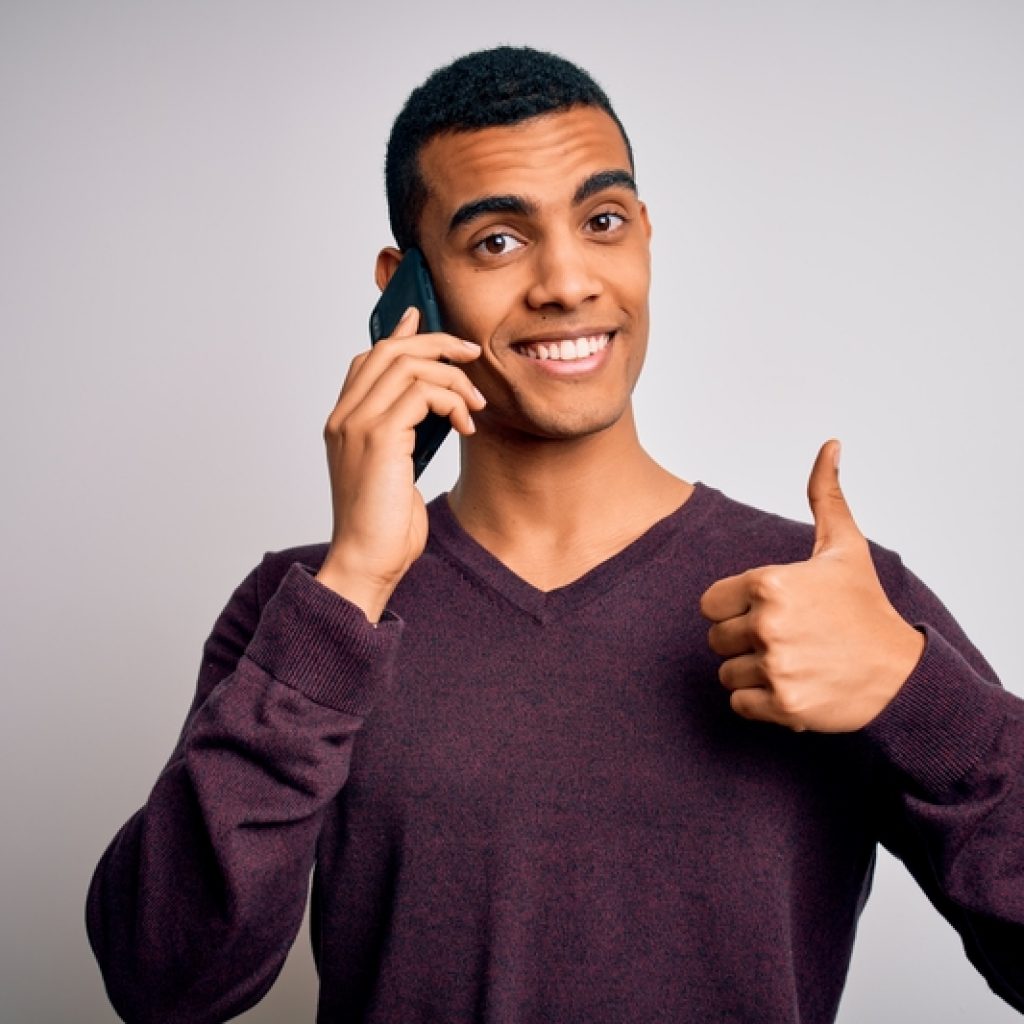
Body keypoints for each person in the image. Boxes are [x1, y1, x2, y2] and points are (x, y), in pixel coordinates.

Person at [87, 46, 1024, 1024]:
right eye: (498, 241)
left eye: (602, 222)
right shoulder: (308, 615)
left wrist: (915, 692)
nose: (568, 282)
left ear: (646, 238)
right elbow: (164, 984)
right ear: (407, 288)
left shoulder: (830, 595)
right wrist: (353, 583)